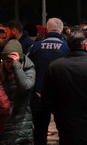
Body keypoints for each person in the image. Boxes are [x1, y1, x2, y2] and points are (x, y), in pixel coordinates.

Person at [27, 17, 70, 145]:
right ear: (61, 30)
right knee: (65, 132)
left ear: (46, 30)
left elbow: (26, 66)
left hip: (39, 95)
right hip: (62, 97)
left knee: (40, 133)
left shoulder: (35, 46)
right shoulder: (68, 47)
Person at [0, 39, 36, 145]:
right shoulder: (0, 73)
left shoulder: (28, 69)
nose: (10, 65)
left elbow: (25, 87)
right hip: (5, 126)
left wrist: (16, 66)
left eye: (13, 61)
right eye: (8, 61)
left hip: (21, 126)